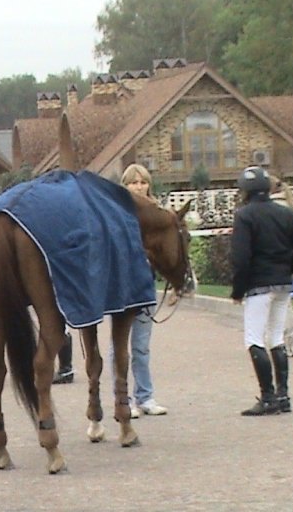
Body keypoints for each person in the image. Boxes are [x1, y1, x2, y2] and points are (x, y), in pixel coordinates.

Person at [231, 166, 293, 416]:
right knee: (276, 337)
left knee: (254, 339)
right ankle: (283, 394)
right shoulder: (286, 214)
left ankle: (267, 397)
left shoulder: (244, 216)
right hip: (282, 282)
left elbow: (241, 258)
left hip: (258, 284)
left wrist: (238, 289)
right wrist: (289, 268)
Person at [118, 163, 168, 418]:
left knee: (141, 346)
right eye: (133, 182)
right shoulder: (118, 213)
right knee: (119, 346)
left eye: (142, 182)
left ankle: (145, 396)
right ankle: (123, 398)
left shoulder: (157, 213)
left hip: (146, 285)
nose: (139, 186)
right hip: (123, 287)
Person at [269, 175, 293, 357]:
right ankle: (284, 338)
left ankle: (291, 339)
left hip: (273, 261)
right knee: (282, 299)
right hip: (291, 261)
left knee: (280, 301)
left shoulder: (270, 210)